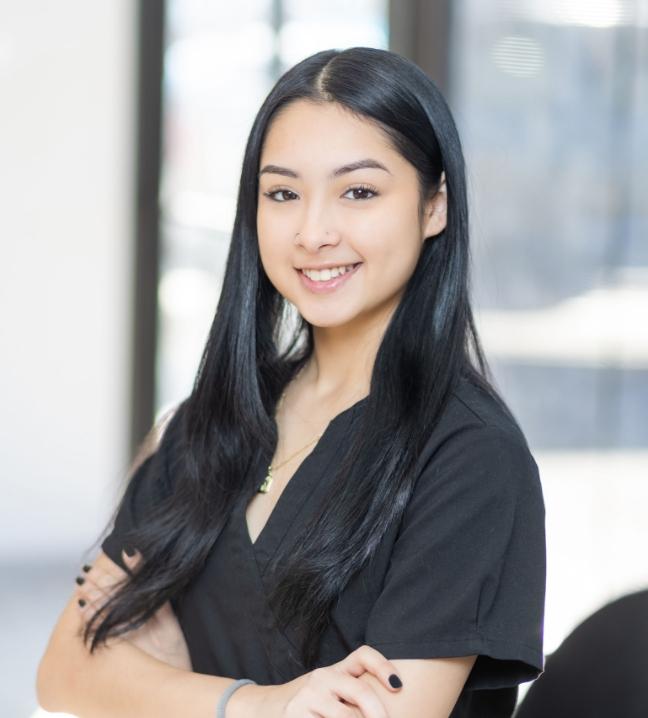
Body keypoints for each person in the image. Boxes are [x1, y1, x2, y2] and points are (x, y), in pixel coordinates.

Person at [36, 46, 546, 718]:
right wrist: (257, 705)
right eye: (282, 194)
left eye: (359, 192)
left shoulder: (470, 457)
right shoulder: (209, 422)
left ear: (434, 207)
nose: (313, 232)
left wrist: (154, 679)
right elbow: (64, 672)